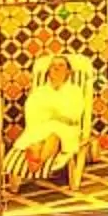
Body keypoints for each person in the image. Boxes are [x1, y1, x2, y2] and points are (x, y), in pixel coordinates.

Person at [8, 53, 89, 185]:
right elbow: (31, 111)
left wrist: (53, 113)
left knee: (54, 136)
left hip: (65, 128)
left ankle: (38, 161)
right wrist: (53, 113)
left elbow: (75, 113)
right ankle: (35, 151)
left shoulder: (75, 91)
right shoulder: (40, 91)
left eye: (61, 65)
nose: (56, 68)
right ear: (48, 71)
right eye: (53, 66)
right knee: (38, 138)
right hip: (42, 126)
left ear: (68, 71)